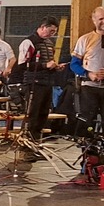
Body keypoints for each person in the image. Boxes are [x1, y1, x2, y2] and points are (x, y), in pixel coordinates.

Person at [71, 7, 104, 137]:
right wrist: (88, 74)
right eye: (101, 19)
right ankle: (87, 146)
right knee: (87, 122)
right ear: (94, 20)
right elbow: (74, 64)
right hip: (89, 87)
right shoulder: (84, 39)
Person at [17, 17, 63, 150]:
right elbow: (22, 65)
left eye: (54, 32)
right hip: (33, 84)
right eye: (51, 31)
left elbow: (48, 63)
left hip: (47, 83)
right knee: (32, 115)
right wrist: (44, 65)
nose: (52, 34)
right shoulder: (28, 42)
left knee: (43, 115)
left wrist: (55, 67)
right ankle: (25, 146)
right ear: (43, 27)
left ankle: (35, 144)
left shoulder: (49, 44)